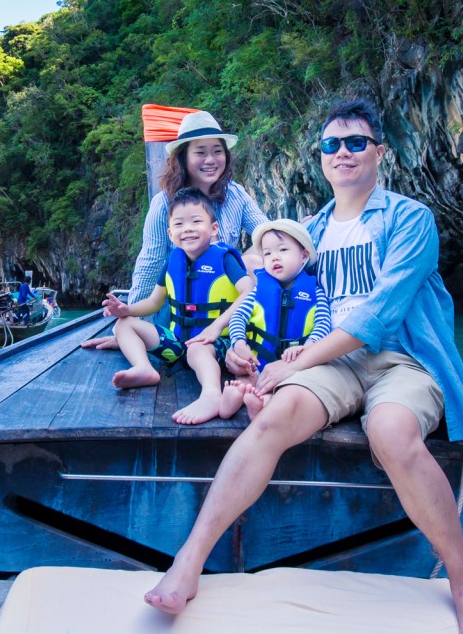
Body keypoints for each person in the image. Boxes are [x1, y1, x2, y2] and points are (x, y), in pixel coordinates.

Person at [143, 98, 463, 634]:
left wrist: (293, 363)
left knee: (390, 433)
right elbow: (257, 294)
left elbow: (380, 315)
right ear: (320, 158)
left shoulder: (409, 218)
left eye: (356, 142)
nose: (343, 153)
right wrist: (239, 343)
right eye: (331, 145)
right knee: (272, 422)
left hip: (402, 357)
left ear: (379, 152)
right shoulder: (305, 230)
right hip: (327, 361)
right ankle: (187, 565)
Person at [82, 110, 267, 350]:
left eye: (217, 151)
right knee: (132, 329)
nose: (210, 160)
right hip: (179, 309)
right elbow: (149, 265)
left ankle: (256, 336)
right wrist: (130, 326)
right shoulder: (163, 204)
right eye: (200, 152)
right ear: (183, 157)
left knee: (254, 259)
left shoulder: (236, 195)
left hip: (226, 309)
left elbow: (266, 232)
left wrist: (299, 229)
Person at [101, 188, 256, 425]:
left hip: (217, 344)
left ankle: (211, 395)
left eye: (196, 221)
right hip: (177, 343)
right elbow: (154, 302)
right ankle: (144, 368)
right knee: (124, 325)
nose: (188, 229)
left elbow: (250, 290)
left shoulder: (225, 259)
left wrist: (215, 328)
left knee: (198, 349)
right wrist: (126, 310)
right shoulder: (173, 261)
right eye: (180, 224)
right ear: (170, 233)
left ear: (214, 228)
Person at [220, 219, 332, 420]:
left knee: (286, 391)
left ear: (304, 255)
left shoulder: (315, 293)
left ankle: (259, 404)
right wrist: (238, 343)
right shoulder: (258, 291)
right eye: (268, 253)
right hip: (257, 364)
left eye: (282, 250)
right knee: (246, 378)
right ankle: (234, 397)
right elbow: (238, 317)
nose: (274, 258)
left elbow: (323, 324)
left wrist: (308, 347)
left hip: (291, 369)